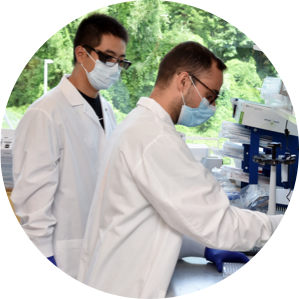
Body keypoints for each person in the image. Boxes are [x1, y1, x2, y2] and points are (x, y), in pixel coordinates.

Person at [77, 41, 283, 298]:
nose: (212, 106)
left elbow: (149, 216)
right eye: (210, 96)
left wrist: (202, 249)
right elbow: (218, 223)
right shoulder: (154, 138)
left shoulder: (137, 124)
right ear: (184, 81)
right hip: (128, 285)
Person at [11, 13, 131, 279]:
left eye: (121, 61)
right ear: (82, 53)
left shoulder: (107, 109)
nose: (115, 66)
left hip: (98, 247)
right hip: (62, 252)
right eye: (109, 57)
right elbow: (32, 197)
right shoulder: (45, 113)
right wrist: (43, 252)